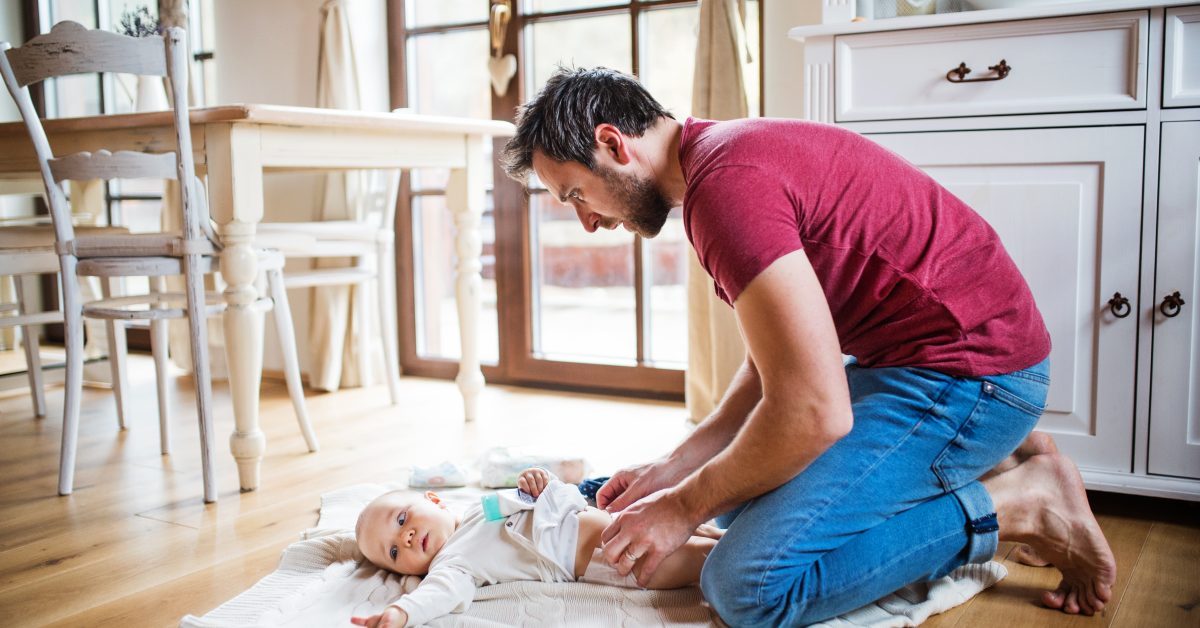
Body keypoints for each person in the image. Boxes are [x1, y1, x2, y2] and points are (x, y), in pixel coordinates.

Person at [499, 66, 1118, 625]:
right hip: (933, 358)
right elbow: (771, 370)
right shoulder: (718, 159)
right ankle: (994, 456)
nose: (586, 221)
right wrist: (675, 470)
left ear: (612, 144)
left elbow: (815, 411)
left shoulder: (726, 192)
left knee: (747, 585)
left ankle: (1019, 503)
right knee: (734, 510)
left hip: (972, 375)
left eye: (576, 194)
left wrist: (679, 508)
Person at [349, 467, 717, 628]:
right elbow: (439, 595)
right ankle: (757, 563)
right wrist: (401, 613)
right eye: (395, 552)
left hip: (614, 518)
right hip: (612, 559)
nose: (406, 538)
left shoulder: (482, 505)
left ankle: (755, 538)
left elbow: (548, 498)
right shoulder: (452, 564)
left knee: (702, 530)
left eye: (401, 520)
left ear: (434, 500)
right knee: (706, 559)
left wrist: (540, 482)